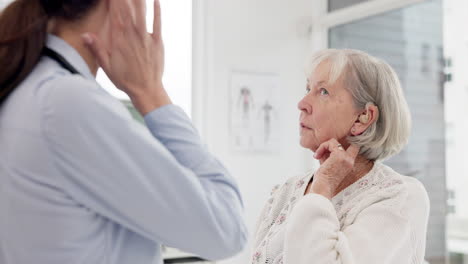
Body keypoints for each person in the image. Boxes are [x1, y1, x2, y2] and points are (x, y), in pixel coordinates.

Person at [0, 0, 247, 263]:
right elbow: (226, 229)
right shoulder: (68, 103)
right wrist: (151, 92)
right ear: (118, 6)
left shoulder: (25, 87)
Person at [251, 49, 429, 264]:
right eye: (308, 88)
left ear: (363, 117)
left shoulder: (400, 197)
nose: (302, 103)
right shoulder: (287, 190)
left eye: (323, 91)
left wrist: (322, 189)